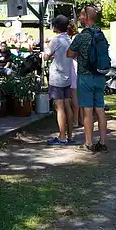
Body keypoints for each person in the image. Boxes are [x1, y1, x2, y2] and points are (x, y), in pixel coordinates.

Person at [68, 6, 108, 152]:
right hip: (100, 76)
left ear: (86, 17)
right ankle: (103, 143)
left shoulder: (81, 36)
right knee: (100, 110)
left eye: (80, 16)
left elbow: (69, 53)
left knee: (87, 111)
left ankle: (89, 143)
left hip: (85, 76)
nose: (79, 18)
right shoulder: (101, 34)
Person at [45, 15, 75, 145]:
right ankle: (70, 135)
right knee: (68, 105)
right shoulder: (69, 40)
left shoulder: (55, 40)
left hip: (57, 78)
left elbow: (46, 56)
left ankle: (62, 136)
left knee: (59, 107)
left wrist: (48, 55)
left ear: (55, 27)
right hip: (68, 77)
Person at [68, 21, 81, 128]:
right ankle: (81, 119)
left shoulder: (73, 39)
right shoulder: (80, 37)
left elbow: (72, 54)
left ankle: (75, 120)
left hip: (75, 68)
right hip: (80, 68)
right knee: (80, 96)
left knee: (75, 96)